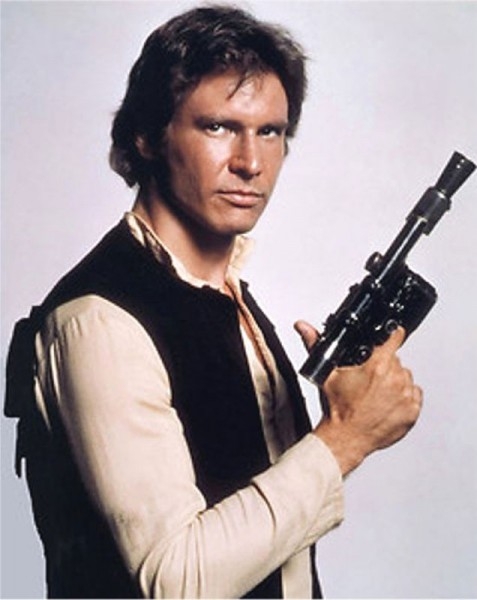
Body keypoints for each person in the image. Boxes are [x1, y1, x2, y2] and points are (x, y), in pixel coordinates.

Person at [4, 5, 422, 599]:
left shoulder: (231, 299)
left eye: (270, 132)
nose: (251, 163)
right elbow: (177, 579)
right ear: (147, 136)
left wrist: (350, 412)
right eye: (219, 127)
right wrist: (346, 438)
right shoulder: (101, 321)